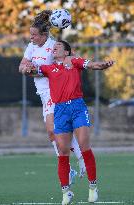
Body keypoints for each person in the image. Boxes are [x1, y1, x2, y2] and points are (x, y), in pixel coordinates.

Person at [29, 40, 114, 204]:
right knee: (62, 151)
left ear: (67, 52)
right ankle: (66, 192)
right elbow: (32, 72)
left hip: (77, 107)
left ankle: (93, 187)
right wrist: (27, 69)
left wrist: (103, 65)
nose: (54, 48)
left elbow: (92, 65)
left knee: (83, 144)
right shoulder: (49, 68)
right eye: (54, 47)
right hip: (60, 110)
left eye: (58, 46)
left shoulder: (74, 62)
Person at [19, 10, 86, 183]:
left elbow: (60, 68)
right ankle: (74, 164)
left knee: (53, 130)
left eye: (34, 35)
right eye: (30, 35)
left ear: (44, 35)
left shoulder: (54, 46)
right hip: (42, 94)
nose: (31, 38)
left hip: (55, 93)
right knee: (52, 135)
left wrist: (33, 71)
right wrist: (27, 69)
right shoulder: (31, 46)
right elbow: (22, 67)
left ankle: (80, 159)